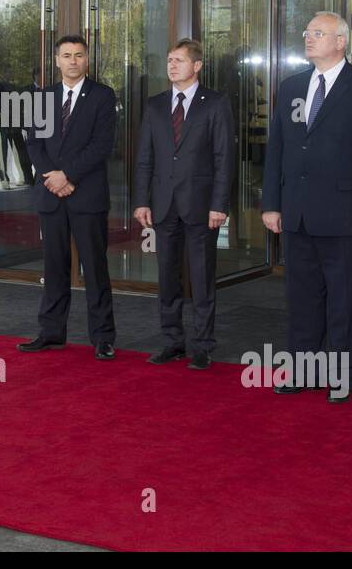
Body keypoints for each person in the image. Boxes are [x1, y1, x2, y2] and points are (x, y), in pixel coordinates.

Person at [262, 12, 352, 401]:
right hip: (297, 214)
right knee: (302, 299)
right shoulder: (291, 88)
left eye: (318, 33)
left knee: (343, 300)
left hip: (345, 216)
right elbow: (278, 150)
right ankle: (302, 369)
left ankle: (342, 375)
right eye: (307, 33)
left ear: (340, 41)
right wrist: (272, 203)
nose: (309, 38)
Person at [133, 39, 236, 369]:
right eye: (169, 59)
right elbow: (145, 159)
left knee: (202, 277)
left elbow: (224, 158)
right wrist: (140, 201)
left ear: (197, 66)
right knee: (167, 276)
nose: (172, 65)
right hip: (163, 205)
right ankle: (172, 341)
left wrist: (220, 204)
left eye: (178, 60)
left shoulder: (216, 104)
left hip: (202, 205)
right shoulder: (155, 105)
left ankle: (203, 344)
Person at [19, 35, 118, 360]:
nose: (72, 61)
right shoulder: (44, 98)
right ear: (57, 60)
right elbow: (34, 144)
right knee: (54, 265)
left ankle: (102, 337)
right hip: (51, 195)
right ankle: (51, 333)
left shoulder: (103, 96)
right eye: (66, 55)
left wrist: (68, 176)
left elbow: (101, 145)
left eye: (78, 55)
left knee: (95, 267)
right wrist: (53, 177)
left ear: (86, 60)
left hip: (86, 195)